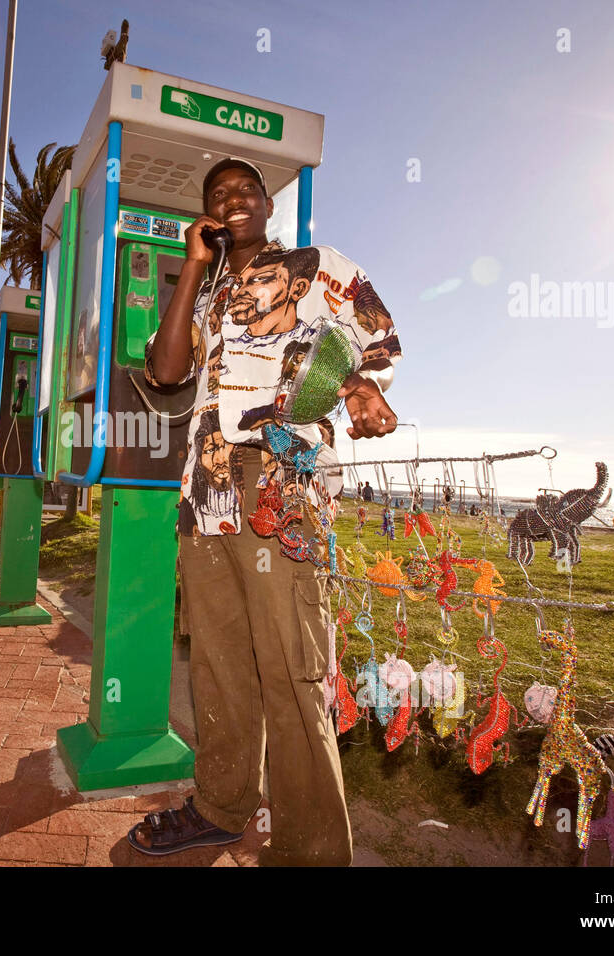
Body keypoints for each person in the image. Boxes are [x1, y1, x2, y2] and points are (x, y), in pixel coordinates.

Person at [129, 158, 402, 866]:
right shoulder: (211, 288)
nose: (232, 199)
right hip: (205, 491)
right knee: (218, 661)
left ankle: (311, 850)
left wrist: (362, 390)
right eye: (217, 194)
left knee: (291, 664)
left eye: (244, 189)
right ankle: (221, 807)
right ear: (209, 216)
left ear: (267, 202)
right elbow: (164, 372)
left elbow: (375, 333)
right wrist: (192, 267)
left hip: (281, 479)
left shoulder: (317, 266)